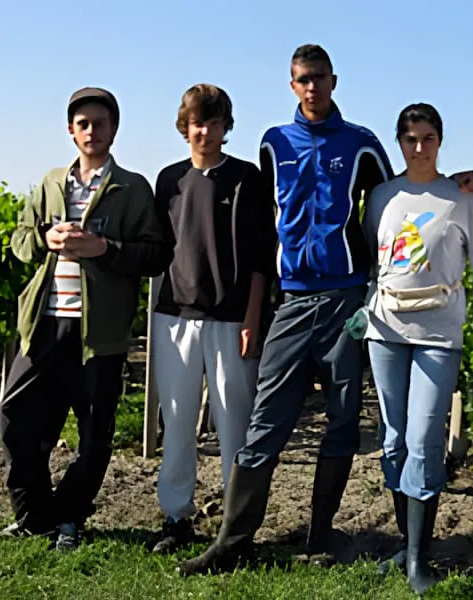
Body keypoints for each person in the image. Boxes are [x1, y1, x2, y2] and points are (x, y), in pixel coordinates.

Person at [176, 43, 394, 575]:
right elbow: (267, 218)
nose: (311, 86)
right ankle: (233, 540)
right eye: (302, 79)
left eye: (319, 77)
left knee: (343, 421)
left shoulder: (361, 144)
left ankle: (320, 537)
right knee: (265, 419)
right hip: (292, 301)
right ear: (291, 85)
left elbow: (392, 208)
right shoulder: (274, 143)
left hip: (345, 301)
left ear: (334, 81)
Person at [0, 87, 169, 550]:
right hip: (46, 324)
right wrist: (45, 237)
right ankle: (35, 514)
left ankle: (70, 516)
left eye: (101, 123)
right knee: (14, 416)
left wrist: (105, 249)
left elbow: (155, 254)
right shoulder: (52, 183)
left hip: (101, 333)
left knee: (94, 432)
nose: (92, 131)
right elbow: (20, 239)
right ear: (71, 131)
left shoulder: (132, 188)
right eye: (84, 124)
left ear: (114, 129)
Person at [361, 103, 473, 594]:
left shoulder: (460, 199)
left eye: (428, 138)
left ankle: (420, 558)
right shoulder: (381, 197)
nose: (419, 147)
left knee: (423, 439)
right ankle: (404, 543)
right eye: (410, 138)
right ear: (399, 141)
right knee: (393, 438)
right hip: (386, 331)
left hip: (438, 335)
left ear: (440, 141)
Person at [150, 84, 275, 553]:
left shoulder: (247, 179)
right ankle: (175, 517)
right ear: (186, 127)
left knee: (234, 427)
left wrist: (252, 317)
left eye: (215, 122)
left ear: (226, 126)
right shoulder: (168, 180)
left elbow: (263, 256)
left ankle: (234, 527)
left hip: (231, 319)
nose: (206, 131)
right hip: (174, 317)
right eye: (198, 122)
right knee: (177, 422)